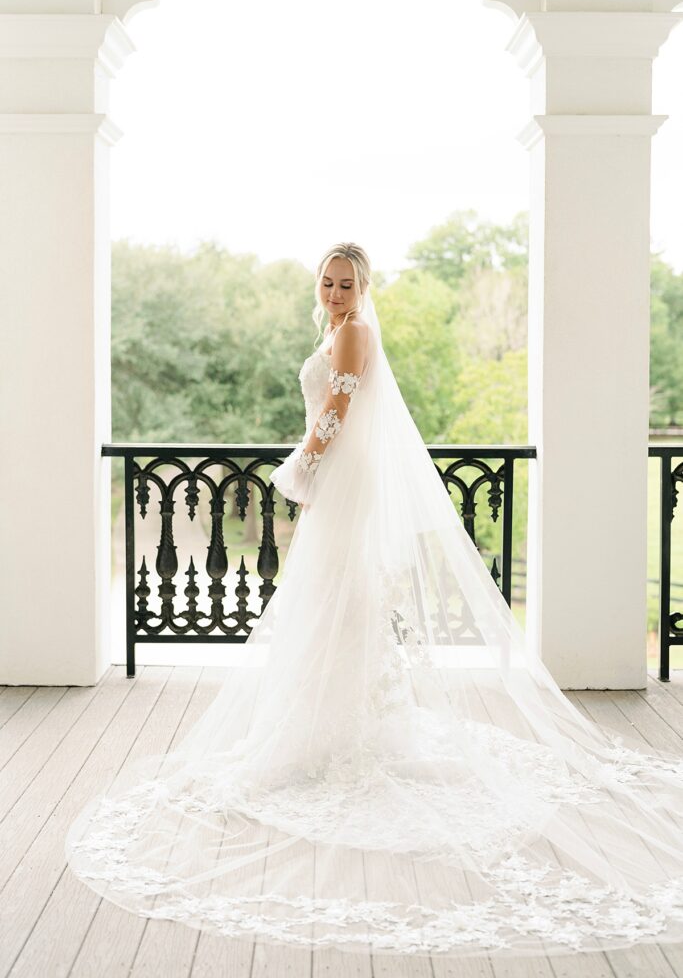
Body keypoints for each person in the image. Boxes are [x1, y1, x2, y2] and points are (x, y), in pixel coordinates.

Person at [65, 241, 683, 960]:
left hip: (344, 482)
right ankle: (330, 720)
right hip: (341, 482)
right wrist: (312, 468)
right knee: (334, 604)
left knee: (338, 598)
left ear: (363, 287)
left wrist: (302, 470)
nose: (333, 291)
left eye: (345, 282)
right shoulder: (335, 329)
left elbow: (337, 406)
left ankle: (341, 729)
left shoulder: (355, 332)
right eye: (326, 281)